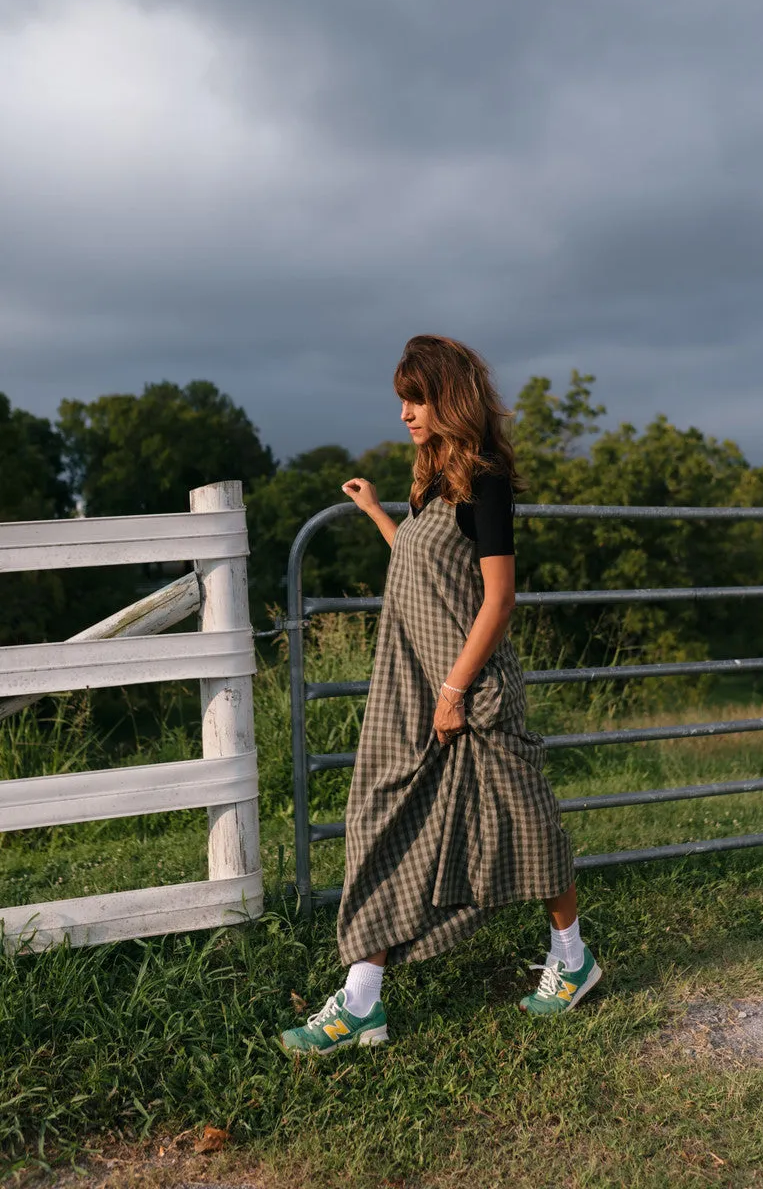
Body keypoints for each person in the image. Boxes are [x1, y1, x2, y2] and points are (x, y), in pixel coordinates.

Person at [281, 335, 601, 1055]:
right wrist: (377, 514)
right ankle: (362, 999)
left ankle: (572, 960)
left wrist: (455, 691)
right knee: (381, 819)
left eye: (416, 398)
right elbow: (421, 572)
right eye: (401, 398)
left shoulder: (484, 483)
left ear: (448, 398)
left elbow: (497, 597)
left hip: (473, 694)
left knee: (530, 829)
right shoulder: (430, 484)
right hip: (415, 690)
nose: (404, 413)